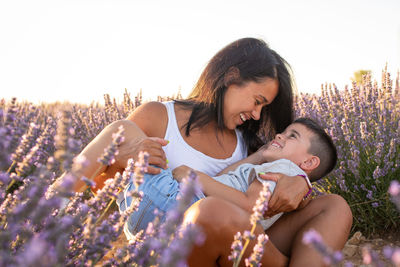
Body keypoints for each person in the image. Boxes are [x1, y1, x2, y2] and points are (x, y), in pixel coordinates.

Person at [64, 38, 352, 266]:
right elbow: (107, 191)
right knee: (122, 132)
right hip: (167, 247)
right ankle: (44, 216)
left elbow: (270, 192)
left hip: (234, 248)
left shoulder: (249, 144)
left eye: (264, 108)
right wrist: (120, 157)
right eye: (257, 101)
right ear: (231, 77)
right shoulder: (157, 116)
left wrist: (302, 182)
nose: (256, 114)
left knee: (336, 207)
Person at [118, 117, 338, 238]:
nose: (280, 135)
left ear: (309, 163)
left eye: (293, 136)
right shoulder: (278, 171)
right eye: (284, 131)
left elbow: (251, 205)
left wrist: (195, 177)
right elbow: (223, 179)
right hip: (179, 223)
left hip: (173, 204)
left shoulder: (283, 170)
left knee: (124, 132)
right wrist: (261, 154)